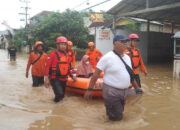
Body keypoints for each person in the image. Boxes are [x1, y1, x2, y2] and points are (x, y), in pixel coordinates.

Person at [84, 35, 143, 121]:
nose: (124, 44)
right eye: (122, 42)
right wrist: (89, 89)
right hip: (111, 92)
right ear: (115, 43)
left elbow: (131, 75)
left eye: (125, 42)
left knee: (118, 114)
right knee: (117, 118)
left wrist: (137, 87)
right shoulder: (107, 57)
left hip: (124, 92)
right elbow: (96, 74)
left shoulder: (127, 58)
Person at [44, 36, 76, 103]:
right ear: (57, 45)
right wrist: (46, 78)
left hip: (64, 79)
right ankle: (55, 109)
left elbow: (68, 67)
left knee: (62, 96)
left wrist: (72, 76)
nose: (63, 46)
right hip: (55, 79)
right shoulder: (53, 54)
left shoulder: (66, 55)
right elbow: (47, 66)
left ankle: (56, 107)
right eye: (61, 44)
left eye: (64, 44)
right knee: (59, 94)